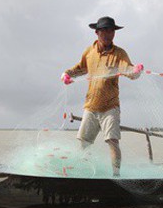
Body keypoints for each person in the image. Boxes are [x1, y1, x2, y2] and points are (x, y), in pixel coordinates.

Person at [61, 16, 143, 177]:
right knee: (83, 143)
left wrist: (136, 71)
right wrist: (66, 74)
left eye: (111, 31)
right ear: (97, 32)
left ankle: (116, 175)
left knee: (112, 141)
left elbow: (129, 70)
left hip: (110, 107)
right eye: (104, 31)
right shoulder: (89, 52)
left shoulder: (119, 53)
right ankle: (81, 172)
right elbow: (80, 68)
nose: (108, 34)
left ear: (114, 33)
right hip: (91, 106)